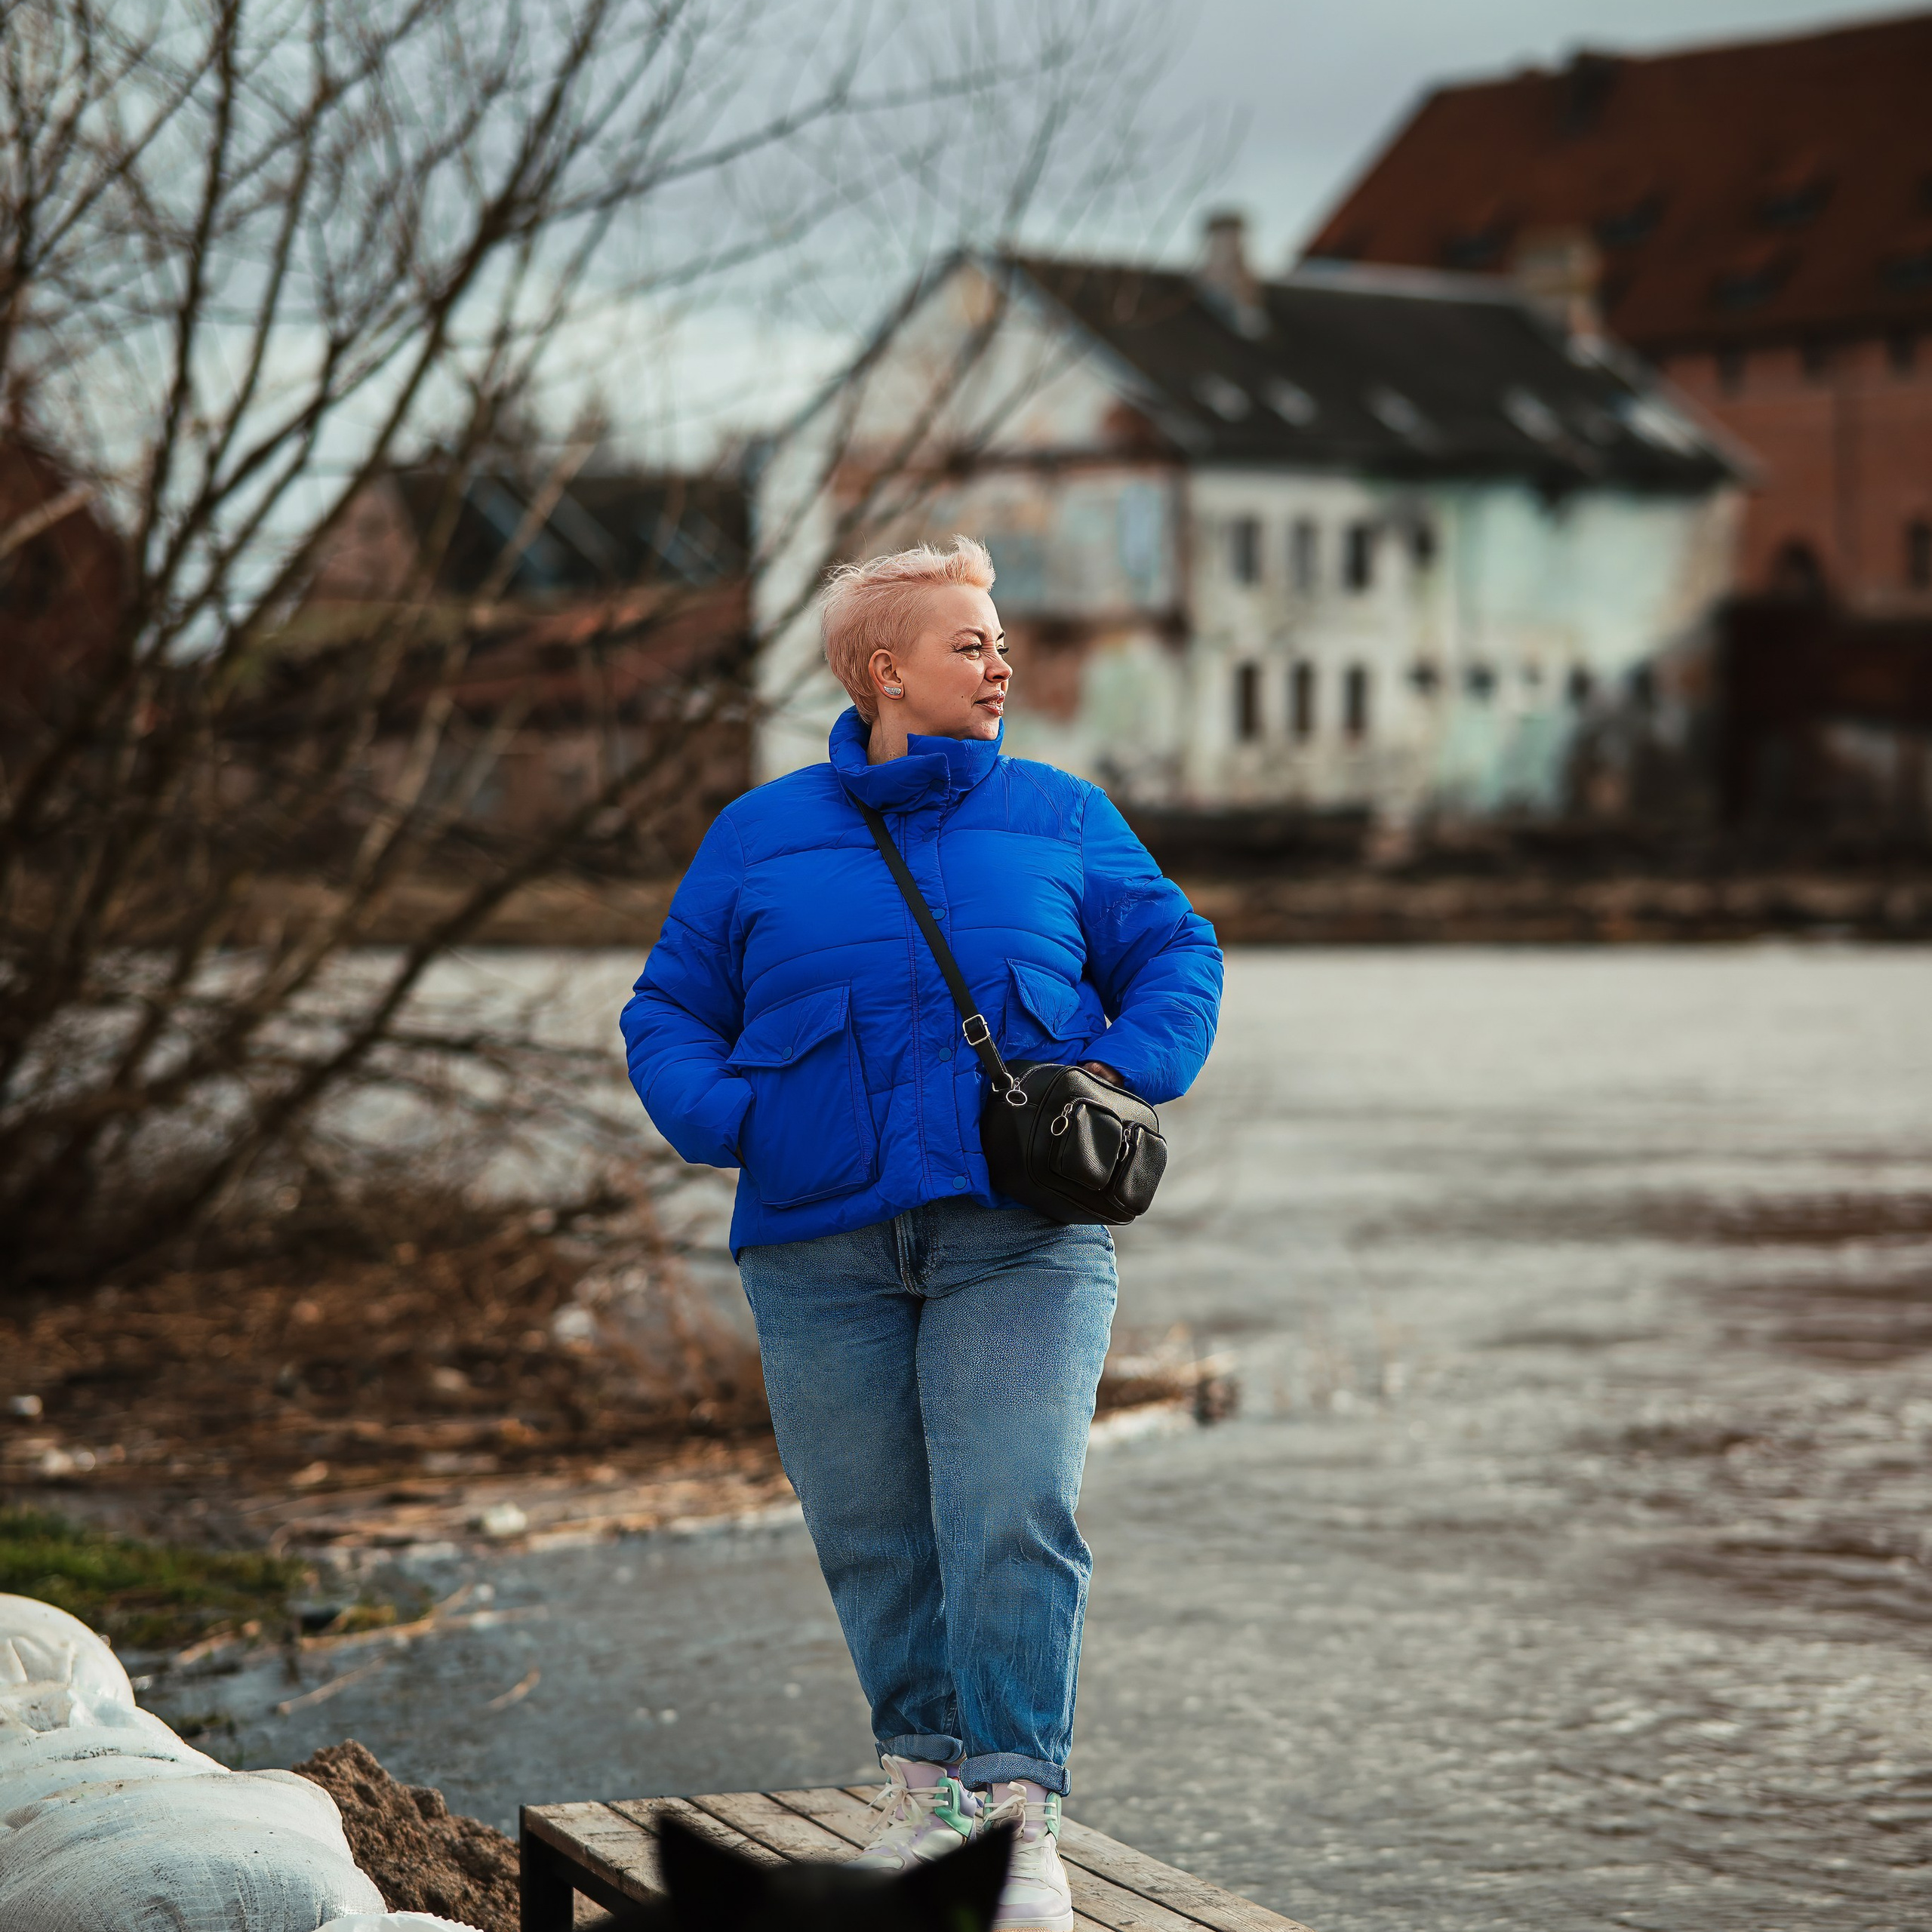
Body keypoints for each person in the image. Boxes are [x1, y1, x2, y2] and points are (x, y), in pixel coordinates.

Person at [620, 537, 1223, 1932]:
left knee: (1012, 1511)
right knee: (874, 1533)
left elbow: (1177, 948)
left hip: (1022, 1236)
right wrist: (736, 1120)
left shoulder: (1064, 816)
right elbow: (667, 1008)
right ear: (882, 669)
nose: (1003, 664)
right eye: (973, 644)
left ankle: (1016, 1823)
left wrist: (1126, 1070)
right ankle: (920, 1792)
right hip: (816, 1247)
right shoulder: (757, 834)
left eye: (1003, 642)